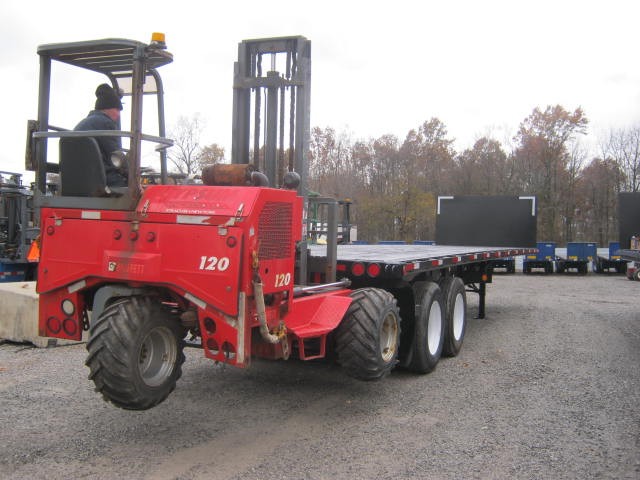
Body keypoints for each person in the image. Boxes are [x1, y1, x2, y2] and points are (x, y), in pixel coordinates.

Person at [74, 83, 127, 187]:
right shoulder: (106, 123)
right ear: (108, 108)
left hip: (76, 180)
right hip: (101, 180)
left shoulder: (84, 123)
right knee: (135, 191)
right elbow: (116, 155)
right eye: (117, 110)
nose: (118, 115)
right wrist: (132, 176)